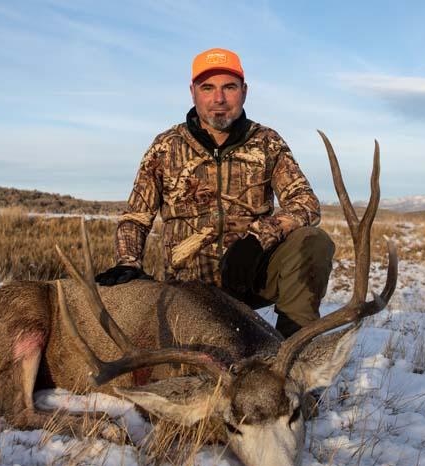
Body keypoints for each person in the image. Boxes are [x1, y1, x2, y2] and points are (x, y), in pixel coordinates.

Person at [95, 48, 334, 338]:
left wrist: (258, 239)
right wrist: (128, 263)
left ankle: (290, 352)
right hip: (188, 291)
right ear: (193, 92)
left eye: (229, 87)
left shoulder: (267, 142)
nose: (218, 99)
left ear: (244, 92)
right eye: (207, 87)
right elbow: (135, 216)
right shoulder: (165, 146)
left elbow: (305, 203)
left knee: (313, 242)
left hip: (251, 276)